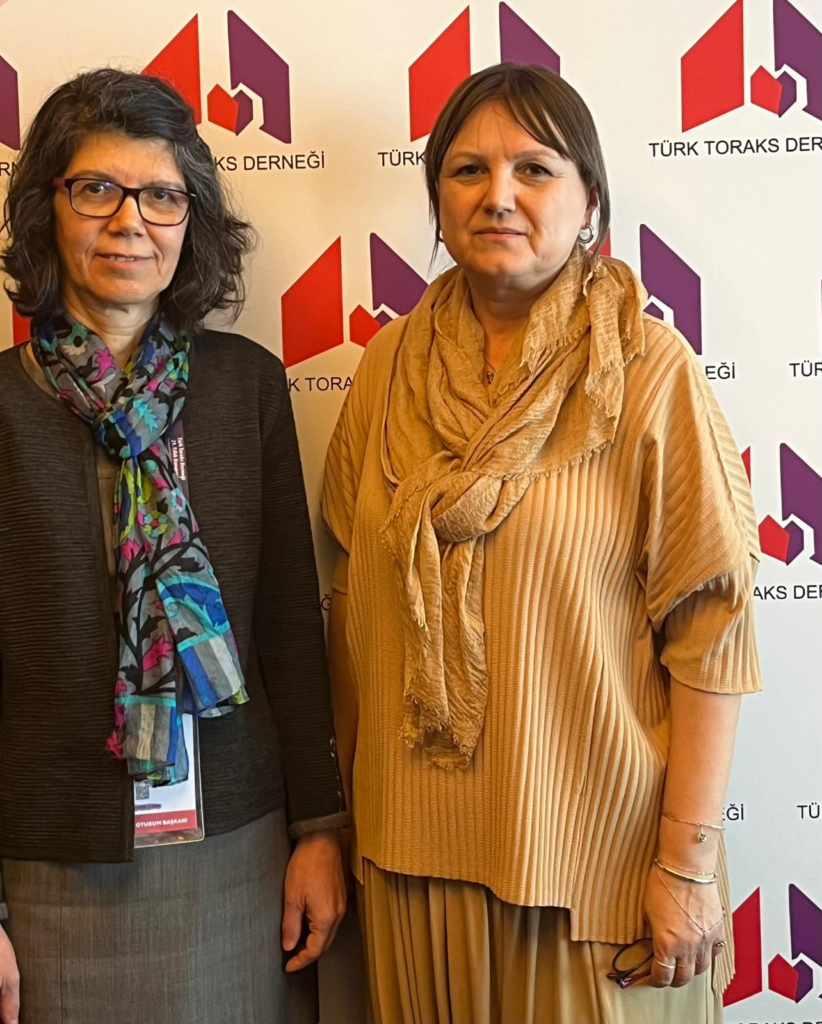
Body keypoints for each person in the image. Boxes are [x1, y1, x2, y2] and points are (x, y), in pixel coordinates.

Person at [0, 68, 348, 1024]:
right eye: (95, 189)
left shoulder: (247, 391)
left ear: (191, 221)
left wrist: (319, 829)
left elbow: (286, 634)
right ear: (47, 209)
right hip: (56, 874)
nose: (127, 222)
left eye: (160, 195)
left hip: (241, 850)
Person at [323, 63, 760, 1024]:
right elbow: (350, 595)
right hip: (408, 849)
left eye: (533, 169)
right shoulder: (387, 365)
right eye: (468, 171)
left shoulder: (647, 371)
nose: (499, 196)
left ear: (589, 201)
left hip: (593, 865)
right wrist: (335, 820)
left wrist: (684, 864)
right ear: (436, 198)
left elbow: (709, 636)